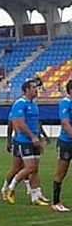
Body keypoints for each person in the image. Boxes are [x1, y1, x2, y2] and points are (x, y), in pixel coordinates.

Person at [2, 80, 49, 206]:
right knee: (28, 167)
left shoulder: (34, 104)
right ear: (26, 90)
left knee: (35, 169)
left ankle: (36, 196)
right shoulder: (19, 104)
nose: (36, 89)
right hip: (24, 140)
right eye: (33, 87)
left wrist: (40, 138)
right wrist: (32, 137)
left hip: (34, 139)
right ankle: (10, 188)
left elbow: (36, 123)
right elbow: (19, 123)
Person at [52, 80, 72, 212]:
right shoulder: (65, 103)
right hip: (66, 142)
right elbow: (65, 123)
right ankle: (56, 202)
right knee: (61, 172)